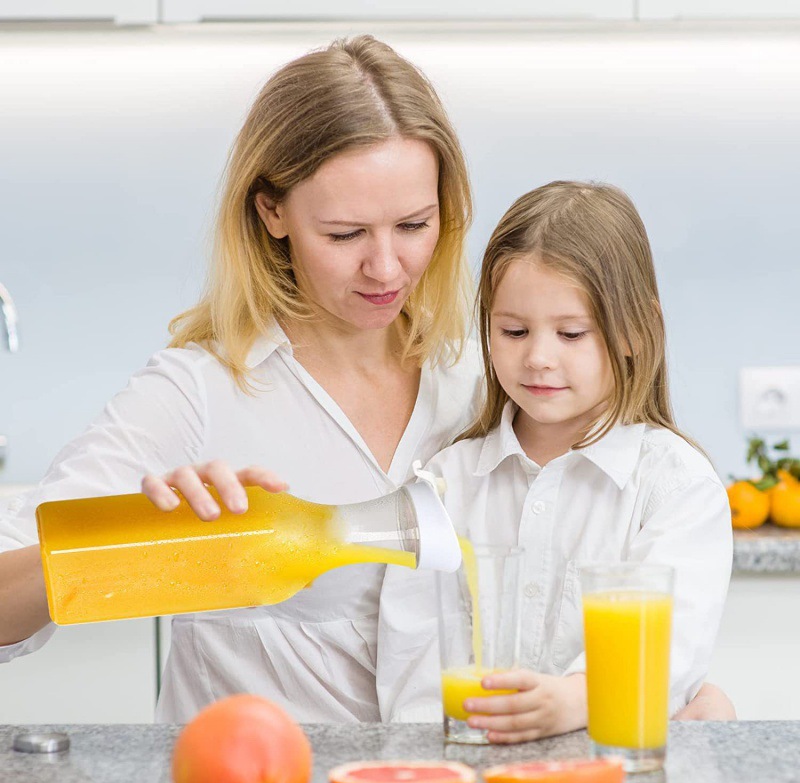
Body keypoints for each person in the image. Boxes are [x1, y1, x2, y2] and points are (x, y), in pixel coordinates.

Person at [0, 37, 732, 726]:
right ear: (272, 212)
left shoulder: (494, 382)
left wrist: (673, 702)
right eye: (345, 235)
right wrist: (142, 543)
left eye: (413, 225)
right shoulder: (197, 394)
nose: (386, 269)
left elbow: (621, 598)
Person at [395, 181, 734, 742]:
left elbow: (672, 649)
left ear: (633, 330)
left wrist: (577, 699)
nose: (538, 357)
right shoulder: (445, 485)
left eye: (571, 333)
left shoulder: (675, 486)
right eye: (513, 331)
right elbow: (412, 670)